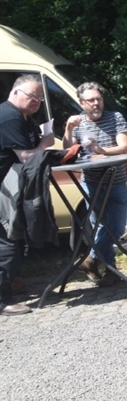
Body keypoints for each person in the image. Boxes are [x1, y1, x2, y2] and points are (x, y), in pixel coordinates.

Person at [63, 82, 127, 286]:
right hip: (91, 182)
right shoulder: (78, 122)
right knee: (99, 225)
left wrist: (102, 151)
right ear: (81, 103)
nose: (96, 103)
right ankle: (111, 271)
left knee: (117, 227)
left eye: (98, 99)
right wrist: (68, 129)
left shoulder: (115, 117)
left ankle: (90, 259)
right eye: (91, 100)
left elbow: (124, 146)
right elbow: (67, 152)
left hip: (116, 179)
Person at [0, 75, 54, 315]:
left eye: (40, 98)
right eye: (33, 96)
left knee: (12, 239)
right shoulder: (9, 117)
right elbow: (26, 157)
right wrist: (45, 144)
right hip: (3, 190)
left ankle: (11, 284)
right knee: (6, 241)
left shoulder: (24, 118)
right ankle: (3, 301)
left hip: (10, 189)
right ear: (15, 93)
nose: (37, 101)